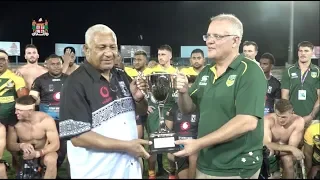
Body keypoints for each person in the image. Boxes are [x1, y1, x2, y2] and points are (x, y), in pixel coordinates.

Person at [173, 14, 267, 179]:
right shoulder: (206, 72)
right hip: (207, 162)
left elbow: (247, 122)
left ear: (235, 41)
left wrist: (198, 144)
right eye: (208, 36)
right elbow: (188, 108)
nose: (209, 41)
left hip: (235, 167)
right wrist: (183, 93)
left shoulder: (250, 71)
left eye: (217, 36)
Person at [58, 24, 150, 179]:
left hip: (128, 169)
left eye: (112, 47)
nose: (109, 53)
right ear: (86, 50)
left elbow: (141, 112)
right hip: (97, 172)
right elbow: (78, 137)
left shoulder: (121, 76)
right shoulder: (74, 83)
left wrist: (139, 99)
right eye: (102, 47)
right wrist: (127, 146)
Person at [29, 54, 69, 175]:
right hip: (46, 122)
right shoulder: (40, 80)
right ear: (47, 65)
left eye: (59, 64)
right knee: (44, 148)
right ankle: (39, 169)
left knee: (62, 149)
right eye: (53, 64)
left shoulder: (70, 79)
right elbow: (32, 97)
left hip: (64, 120)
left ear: (62, 65)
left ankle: (52, 171)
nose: (56, 66)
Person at [6, 95, 60, 179]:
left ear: (30, 111)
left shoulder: (46, 120)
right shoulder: (14, 122)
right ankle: (21, 171)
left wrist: (38, 153)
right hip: (24, 154)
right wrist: (22, 145)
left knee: (51, 159)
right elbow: (10, 145)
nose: (16, 112)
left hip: (43, 153)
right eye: (16, 109)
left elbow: (55, 144)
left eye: (19, 110)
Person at [144, 44, 176, 179]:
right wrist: (145, 105)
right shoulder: (150, 71)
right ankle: (151, 174)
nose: (160, 57)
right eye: (158, 54)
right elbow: (141, 88)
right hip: (153, 111)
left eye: (163, 54)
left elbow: (178, 93)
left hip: (169, 110)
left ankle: (172, 174)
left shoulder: (175, 72)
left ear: (170, 56)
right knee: (153, 144)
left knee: (170, 143)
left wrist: (174, 109)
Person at [0, 49, 29, 173]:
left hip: (12, 121)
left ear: (8, 61)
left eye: (3, 59)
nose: (0, 62)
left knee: (15, 150)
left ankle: (19, 172)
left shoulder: (15, 78)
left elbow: (23, 100)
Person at [166, 75, 199, 179]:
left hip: (198, 147)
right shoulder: (175, 108)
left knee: (194, 158)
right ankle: (173, 172)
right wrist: (171, 149)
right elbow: (167, 131)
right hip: (180, 147)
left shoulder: (202, 108)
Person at [263, 99, 305, 179]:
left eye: (284, 117)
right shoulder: (268, 119)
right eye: (277, 116)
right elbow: (267, 143)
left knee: (288, 160)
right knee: (268, 153)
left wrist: (291, 148)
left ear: (292, 114)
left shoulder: (298, 121)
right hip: (270, 151)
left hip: (286, 153)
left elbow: (293, 147)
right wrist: (291, 148)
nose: (280, 119)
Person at [281, 41, 320, 126]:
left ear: (312, 53)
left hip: (314, 119)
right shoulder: (289, 71)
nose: (303, 53)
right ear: (298, 53)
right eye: (300, 51)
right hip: (293, 118)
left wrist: (311, 116)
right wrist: (290, 113)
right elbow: (284, 96)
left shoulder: (318, 71)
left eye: (306, 51)